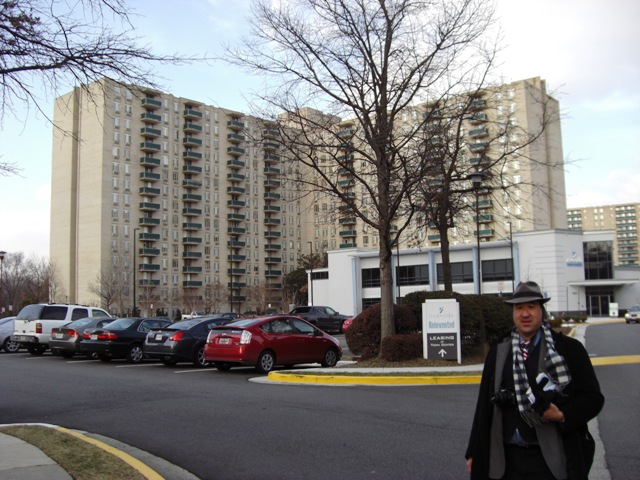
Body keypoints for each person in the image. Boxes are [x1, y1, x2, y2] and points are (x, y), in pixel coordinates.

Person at [465, 281, 604, 480]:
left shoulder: (568, 350)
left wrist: (562, 415)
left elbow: (593, 398)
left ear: (542, 310)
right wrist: (473, 451)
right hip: (505, 461)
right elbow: (483, 406)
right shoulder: (499, 351)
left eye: (531, 306)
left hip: (551, 460)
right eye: (519, 308)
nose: (525, 314)